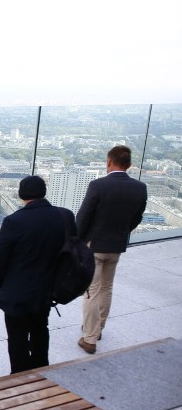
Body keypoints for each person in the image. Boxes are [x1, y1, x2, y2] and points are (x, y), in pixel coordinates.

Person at [0, 175, 74, 374]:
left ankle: (20, 376)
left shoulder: (14, 221)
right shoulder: (65, 216)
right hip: (48, 288)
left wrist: (2, 283)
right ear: (44, 192)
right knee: (40, 328)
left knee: (17, 336)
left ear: (21, 195)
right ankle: (41, 370)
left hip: (18, 291)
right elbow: (71, 251)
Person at [75, 145, 148, 354]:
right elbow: (137, 217)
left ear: (109, 161)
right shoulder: (139, 188)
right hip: (116, 245)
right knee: (107, 288)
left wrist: (78, 241)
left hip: (94, 245)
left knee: (92, 290)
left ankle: (89, 338)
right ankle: (98, 329)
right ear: (129, 165)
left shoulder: (98, 185)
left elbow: (83, 217)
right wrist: (123, 232)